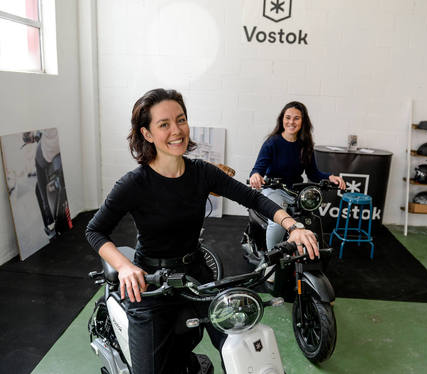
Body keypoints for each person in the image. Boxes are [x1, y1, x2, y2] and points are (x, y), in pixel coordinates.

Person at [85, 89, 320, 374]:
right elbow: (95, 230)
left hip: (198, 274)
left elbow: (254, 198)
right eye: (164, 124)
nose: (177, 130)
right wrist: (124, 267)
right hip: (151, 284)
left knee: (243, 345)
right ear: (147, 134)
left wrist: (292, 226)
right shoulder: (134, 183)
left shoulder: (202, 172)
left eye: (181, 120)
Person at [249, 101, 346, 250]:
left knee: (309, 222)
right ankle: (271, 262)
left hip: (296, 192)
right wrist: (256, 175)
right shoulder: (272, 143)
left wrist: (330, 177)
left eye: (296, 118)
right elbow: (258, 169)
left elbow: (313, 173)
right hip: (274, 190)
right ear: (282, 119)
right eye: (288, 117)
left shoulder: (305, 145)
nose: (291, 122)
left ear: (303, 121)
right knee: (278, 223)